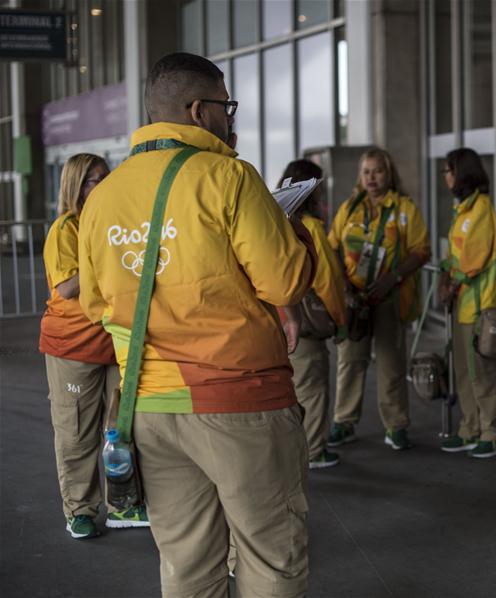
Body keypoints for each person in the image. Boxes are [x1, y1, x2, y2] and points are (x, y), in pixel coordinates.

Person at [78, 53, 316, 597]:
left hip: (150, 410)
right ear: (199, 110)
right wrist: (294, 234)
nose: (230, 119)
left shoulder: (105, 196)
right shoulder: (229, 177)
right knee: (269, 556)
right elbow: (284, 285)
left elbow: (95, 303)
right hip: (240, 404)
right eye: (225, 106)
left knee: (186, 565)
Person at [40, 153, 151, 539]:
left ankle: (122, 504)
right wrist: (112, 263)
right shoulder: (65, 229)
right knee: (76, 434)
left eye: (105, 177)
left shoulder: (110, 222)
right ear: (75, 185)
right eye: (92, 180)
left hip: (115, 340)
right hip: (72, 347)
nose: (102, 185)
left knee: (119, 430)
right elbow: (68, 287)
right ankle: (79, 511)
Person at [326, 148, 430, 451]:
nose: (372, 177)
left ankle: (396, 425)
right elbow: (332, 246)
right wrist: (343, 284)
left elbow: (422, 250)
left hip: (390, 298)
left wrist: (392, 278)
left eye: (378, 171)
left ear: (389, 174)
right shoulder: (349, 208)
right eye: (366, 172)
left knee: (391, 363)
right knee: (350, 361)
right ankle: (343, 421)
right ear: (360, 176)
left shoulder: (404, 208)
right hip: (354, 299)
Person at [437, 147, 496, 458]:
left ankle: (494, 432)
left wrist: (450, 281)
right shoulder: (463, 210)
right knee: (464, 371)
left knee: (483, 371)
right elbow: (452, 256)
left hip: (483, 305)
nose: (446, 175)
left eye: (449, 169)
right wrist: (447, 281)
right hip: (463, 304)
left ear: (462, 173)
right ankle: (470, 427)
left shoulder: (481, 207)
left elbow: (474, 259)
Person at [278, 159, 347, 469]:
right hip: (305, 326)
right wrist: (341, 321)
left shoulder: (278, 221)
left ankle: (294, 449)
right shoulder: (313, 230)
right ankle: (315, 450)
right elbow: (328, 283)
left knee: (292, 390)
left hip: (280, 321)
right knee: (313, 389)